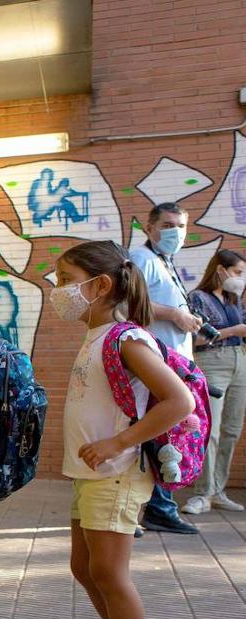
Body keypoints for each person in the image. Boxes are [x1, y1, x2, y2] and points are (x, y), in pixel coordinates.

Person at [53, 241, 191, 619]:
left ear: (101, 286)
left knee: (109, 573)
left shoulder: (125, 339)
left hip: (117, 474)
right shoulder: (97, 336)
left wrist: (118, 442)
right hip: (91, 474)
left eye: (66, 279)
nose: (58, 289)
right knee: (85, 568)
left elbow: (179, 401)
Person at [127, 202, 201, 535]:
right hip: (155, 361)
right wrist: (174, 314)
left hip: (172, 361)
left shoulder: (164, 261)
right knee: (156, 433)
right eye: (168, 225)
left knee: (166, 435)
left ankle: (158, 507)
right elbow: (131, 302)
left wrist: (187, 320)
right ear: (150, 227)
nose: (176, 232)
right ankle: (149, 508)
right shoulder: (142, 258)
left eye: (181, 226)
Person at [182, 249, 246, 516]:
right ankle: (203, 493)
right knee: (211, 429)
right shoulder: (198, 297)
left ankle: (218, 490)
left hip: (239, 360)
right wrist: (233, 331)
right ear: (220, 270)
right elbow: (194, 338)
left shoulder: (234, 300)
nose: (241, 278)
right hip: (212, 361)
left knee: (232, 429)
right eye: (237, 272)